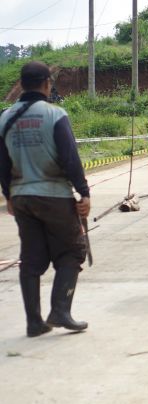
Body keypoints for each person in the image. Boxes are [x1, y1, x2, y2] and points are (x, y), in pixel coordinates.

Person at [0, 61, 90, 337]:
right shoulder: (54, 115)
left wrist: (8, 196)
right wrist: (83, 191)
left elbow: (2, 163)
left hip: (22, 197)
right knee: (73, 251)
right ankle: (60, 310)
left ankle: (34, 322)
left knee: (31, 259)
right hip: (53, 195)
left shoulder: (5, 118)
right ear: (46, 84)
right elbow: (70, 157)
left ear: (22, 84)